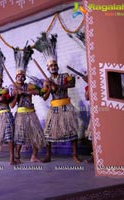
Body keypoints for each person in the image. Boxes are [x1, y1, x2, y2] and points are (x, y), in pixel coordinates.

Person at [34, 32, 81, 163]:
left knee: (71, 130)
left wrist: (58, 85)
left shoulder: (65, 75)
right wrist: (49, 87)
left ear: (57, 66)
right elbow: (44, 97)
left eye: (55, 65)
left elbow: (72, 84)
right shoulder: (46, 81)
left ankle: (75, 155)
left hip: (66, 106)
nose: (53, 67)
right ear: (48, 68)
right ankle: (48, 155)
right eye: (51, 66)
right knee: (48, 131)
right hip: (54, 107)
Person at [9, 46, 45, 163]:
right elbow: (12, 105)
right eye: (18, 76)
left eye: (22, 76)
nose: (20, 77)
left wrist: (24, 92)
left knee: (37, 135)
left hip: (31, 113)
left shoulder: (28, 85)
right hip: (20, 114)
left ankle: (34, 156)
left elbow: (38, 91)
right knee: (19, 137)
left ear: (24, 77)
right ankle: (17, 157)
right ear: (16, 77)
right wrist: (16, 95)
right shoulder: (12, 88)